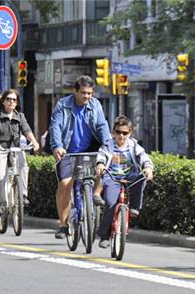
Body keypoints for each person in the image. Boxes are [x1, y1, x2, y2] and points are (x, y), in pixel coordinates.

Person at [49, 75, 112, 239]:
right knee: (64, 183)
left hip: (90, 150)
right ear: (75, 91)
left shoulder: (95, 104)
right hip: (67, 151)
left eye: (90, 93)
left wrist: (108, 144)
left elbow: (101, 125)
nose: (87, 97)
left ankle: (96, 195)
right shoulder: (63, 104)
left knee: (102, 169)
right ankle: (63, 225)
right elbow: (55, 126)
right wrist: (57, 145)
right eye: (83, 93)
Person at [94, 115, 154, 249]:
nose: (121, 136)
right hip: (112, 178)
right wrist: (100, 165)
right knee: (110, 204)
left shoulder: (133, 145)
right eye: (118, 132)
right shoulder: (107, 146)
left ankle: (134, 207)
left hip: (130, 176)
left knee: (141, 177)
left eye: (125, 133)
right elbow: (101, 156)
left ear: (130, 133)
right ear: (113, 132)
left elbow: (143, 156)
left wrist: (148, 168)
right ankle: (104, 236)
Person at [0, 89, 40, 220]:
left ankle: (22, 195)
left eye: (14, 100)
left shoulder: (19, 116)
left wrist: (34, 142)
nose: (11, 102)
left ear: (17, 103)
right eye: (8, 99)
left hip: (14, 149)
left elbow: (27, 130)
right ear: (3, 101)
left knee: (22, 166)